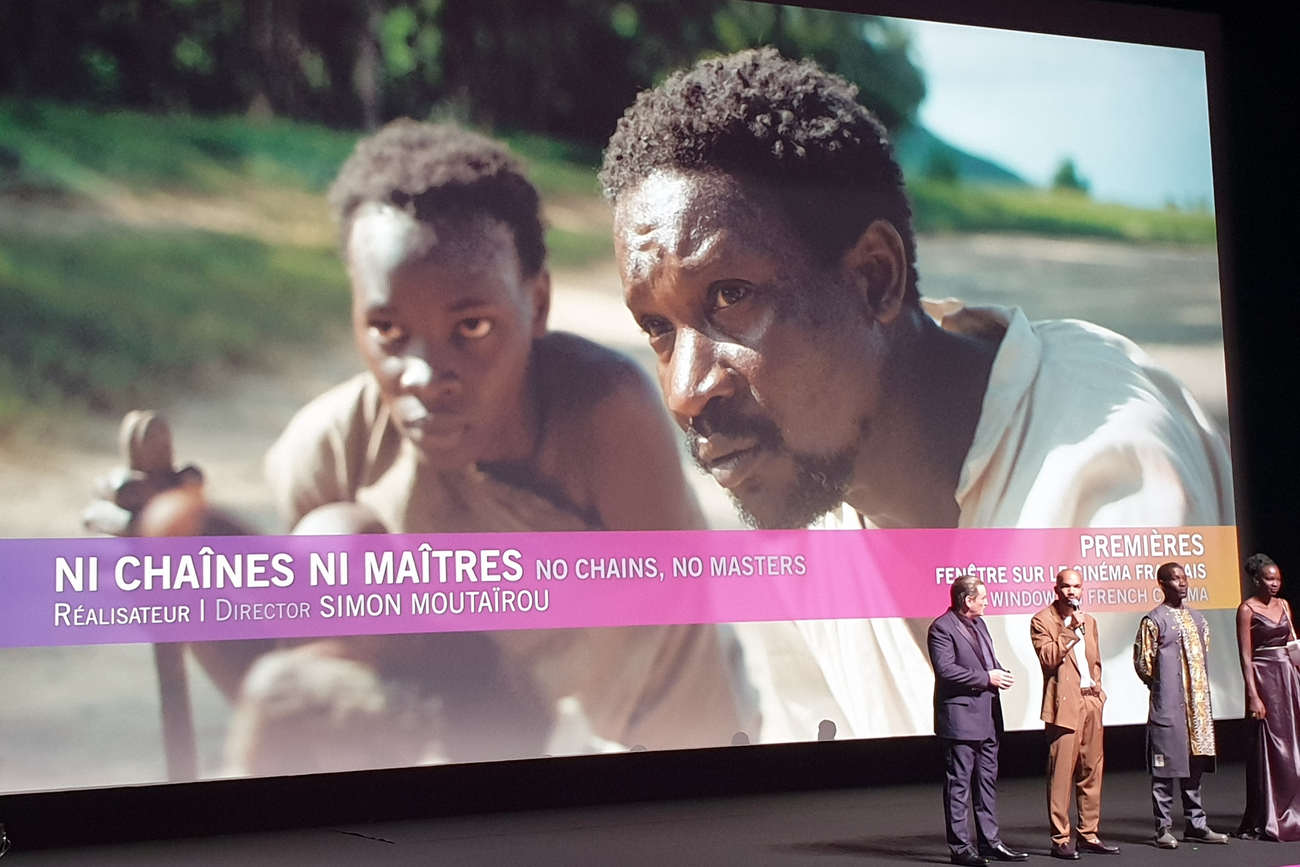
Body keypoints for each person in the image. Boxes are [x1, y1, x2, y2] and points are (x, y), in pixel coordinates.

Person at [600, 46, 1235, 742]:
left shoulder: (1109, 471)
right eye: (657, 327)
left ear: (875, 278)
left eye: (731, 295)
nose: (685, 390)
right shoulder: (810, 506)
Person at [95, 119, 757, 775]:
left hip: (643, 728)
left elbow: (677, 649)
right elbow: (310, 685)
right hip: (469, 722)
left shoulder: (603, 415)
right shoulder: (327, 452)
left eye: (471, 326)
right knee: (331, 539)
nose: (423, 374)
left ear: (538, 301)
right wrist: (176, 547)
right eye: (387, 330)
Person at [927, 575, 1028, 866]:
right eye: (982, 597)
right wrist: (986, 678)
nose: (987, 601)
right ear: (967, 600)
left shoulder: (981, 624)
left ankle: (990, 842)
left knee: (986, 784)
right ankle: (960, 847)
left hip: (988, 718)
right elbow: (946, 670)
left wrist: (998, 672)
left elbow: (986, 661)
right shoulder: (941, 628)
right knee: (959, 785)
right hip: (960, 719)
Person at [1133, 562, 1229, 848]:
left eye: (1184, 578)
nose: (1182, 583)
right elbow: (1143, 662)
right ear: (1162, 583)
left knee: (1194, 767)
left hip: (1196, 708)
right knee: (1165, 768)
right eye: (1174, 579)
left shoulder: (1199, 619)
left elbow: (1205, 651)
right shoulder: (1154, 620)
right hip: (1169, 705)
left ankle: (1196, 825)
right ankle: (1163, 828)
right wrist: (1163, 688)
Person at [1029, 569, 1119, 859]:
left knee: (1091, 771)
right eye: (1066, 586)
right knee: (1061, 774)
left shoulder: (1090, 621)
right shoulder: (1042, 620)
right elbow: (1048, 659)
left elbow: (1095, 662)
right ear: (1056, 589)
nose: (1071, 591)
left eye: (1076, 586)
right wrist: (1069, 629)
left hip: (1090, 702)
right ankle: (1060, 838)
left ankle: (1088, 834)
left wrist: (1098, 693)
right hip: (1064, 706)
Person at [1234, 553, 1300, 841]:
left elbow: (1293, 642)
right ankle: (1270, 815)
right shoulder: (1247, 609)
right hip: (1264, 680)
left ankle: (1295, 810)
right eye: (1269, 579)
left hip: (1289, 678)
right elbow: (1245, 657)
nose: (1275, 584)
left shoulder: (1284, 605)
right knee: (1271, 748)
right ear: (1256, 580)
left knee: (1295, 745)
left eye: (1278, 579)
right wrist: (1253, 696)